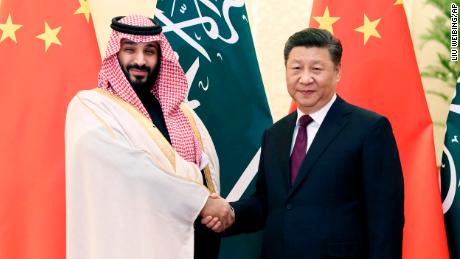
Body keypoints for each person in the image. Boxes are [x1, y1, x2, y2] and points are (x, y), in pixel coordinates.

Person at [203, 28, 404, 258]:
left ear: (337, 71)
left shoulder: (369, 129)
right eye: (296, 68)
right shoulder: (275, 134)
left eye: (317, 69)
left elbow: (385, 219)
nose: (305, 78)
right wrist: (229, 212)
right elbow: (268, 203)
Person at [65, 15, 233, 259]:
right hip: (134, 246)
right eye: (130, 50)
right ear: (116, 54)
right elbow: (132, 171)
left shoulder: (182, 112)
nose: (140, 61)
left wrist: (214, 209)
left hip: (196, 244)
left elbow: (207, 169)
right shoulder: (91, 107)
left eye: (149, 51)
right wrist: (200, 202)